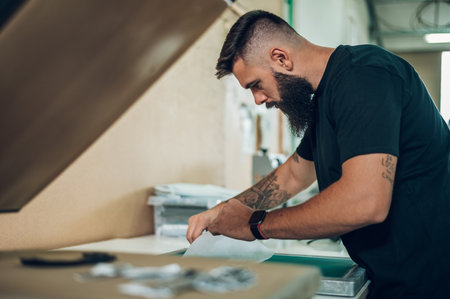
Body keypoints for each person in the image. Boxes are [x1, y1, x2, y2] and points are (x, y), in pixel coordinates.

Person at [186, 10, 450, 299]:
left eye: (255, 85)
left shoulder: (365, 77)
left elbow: (365, 202)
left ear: (281, 58)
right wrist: (229, 208)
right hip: (391, 275)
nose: (258, 99)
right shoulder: (326, 98)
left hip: (429, 280)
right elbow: (295, 172)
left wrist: (256, 225)